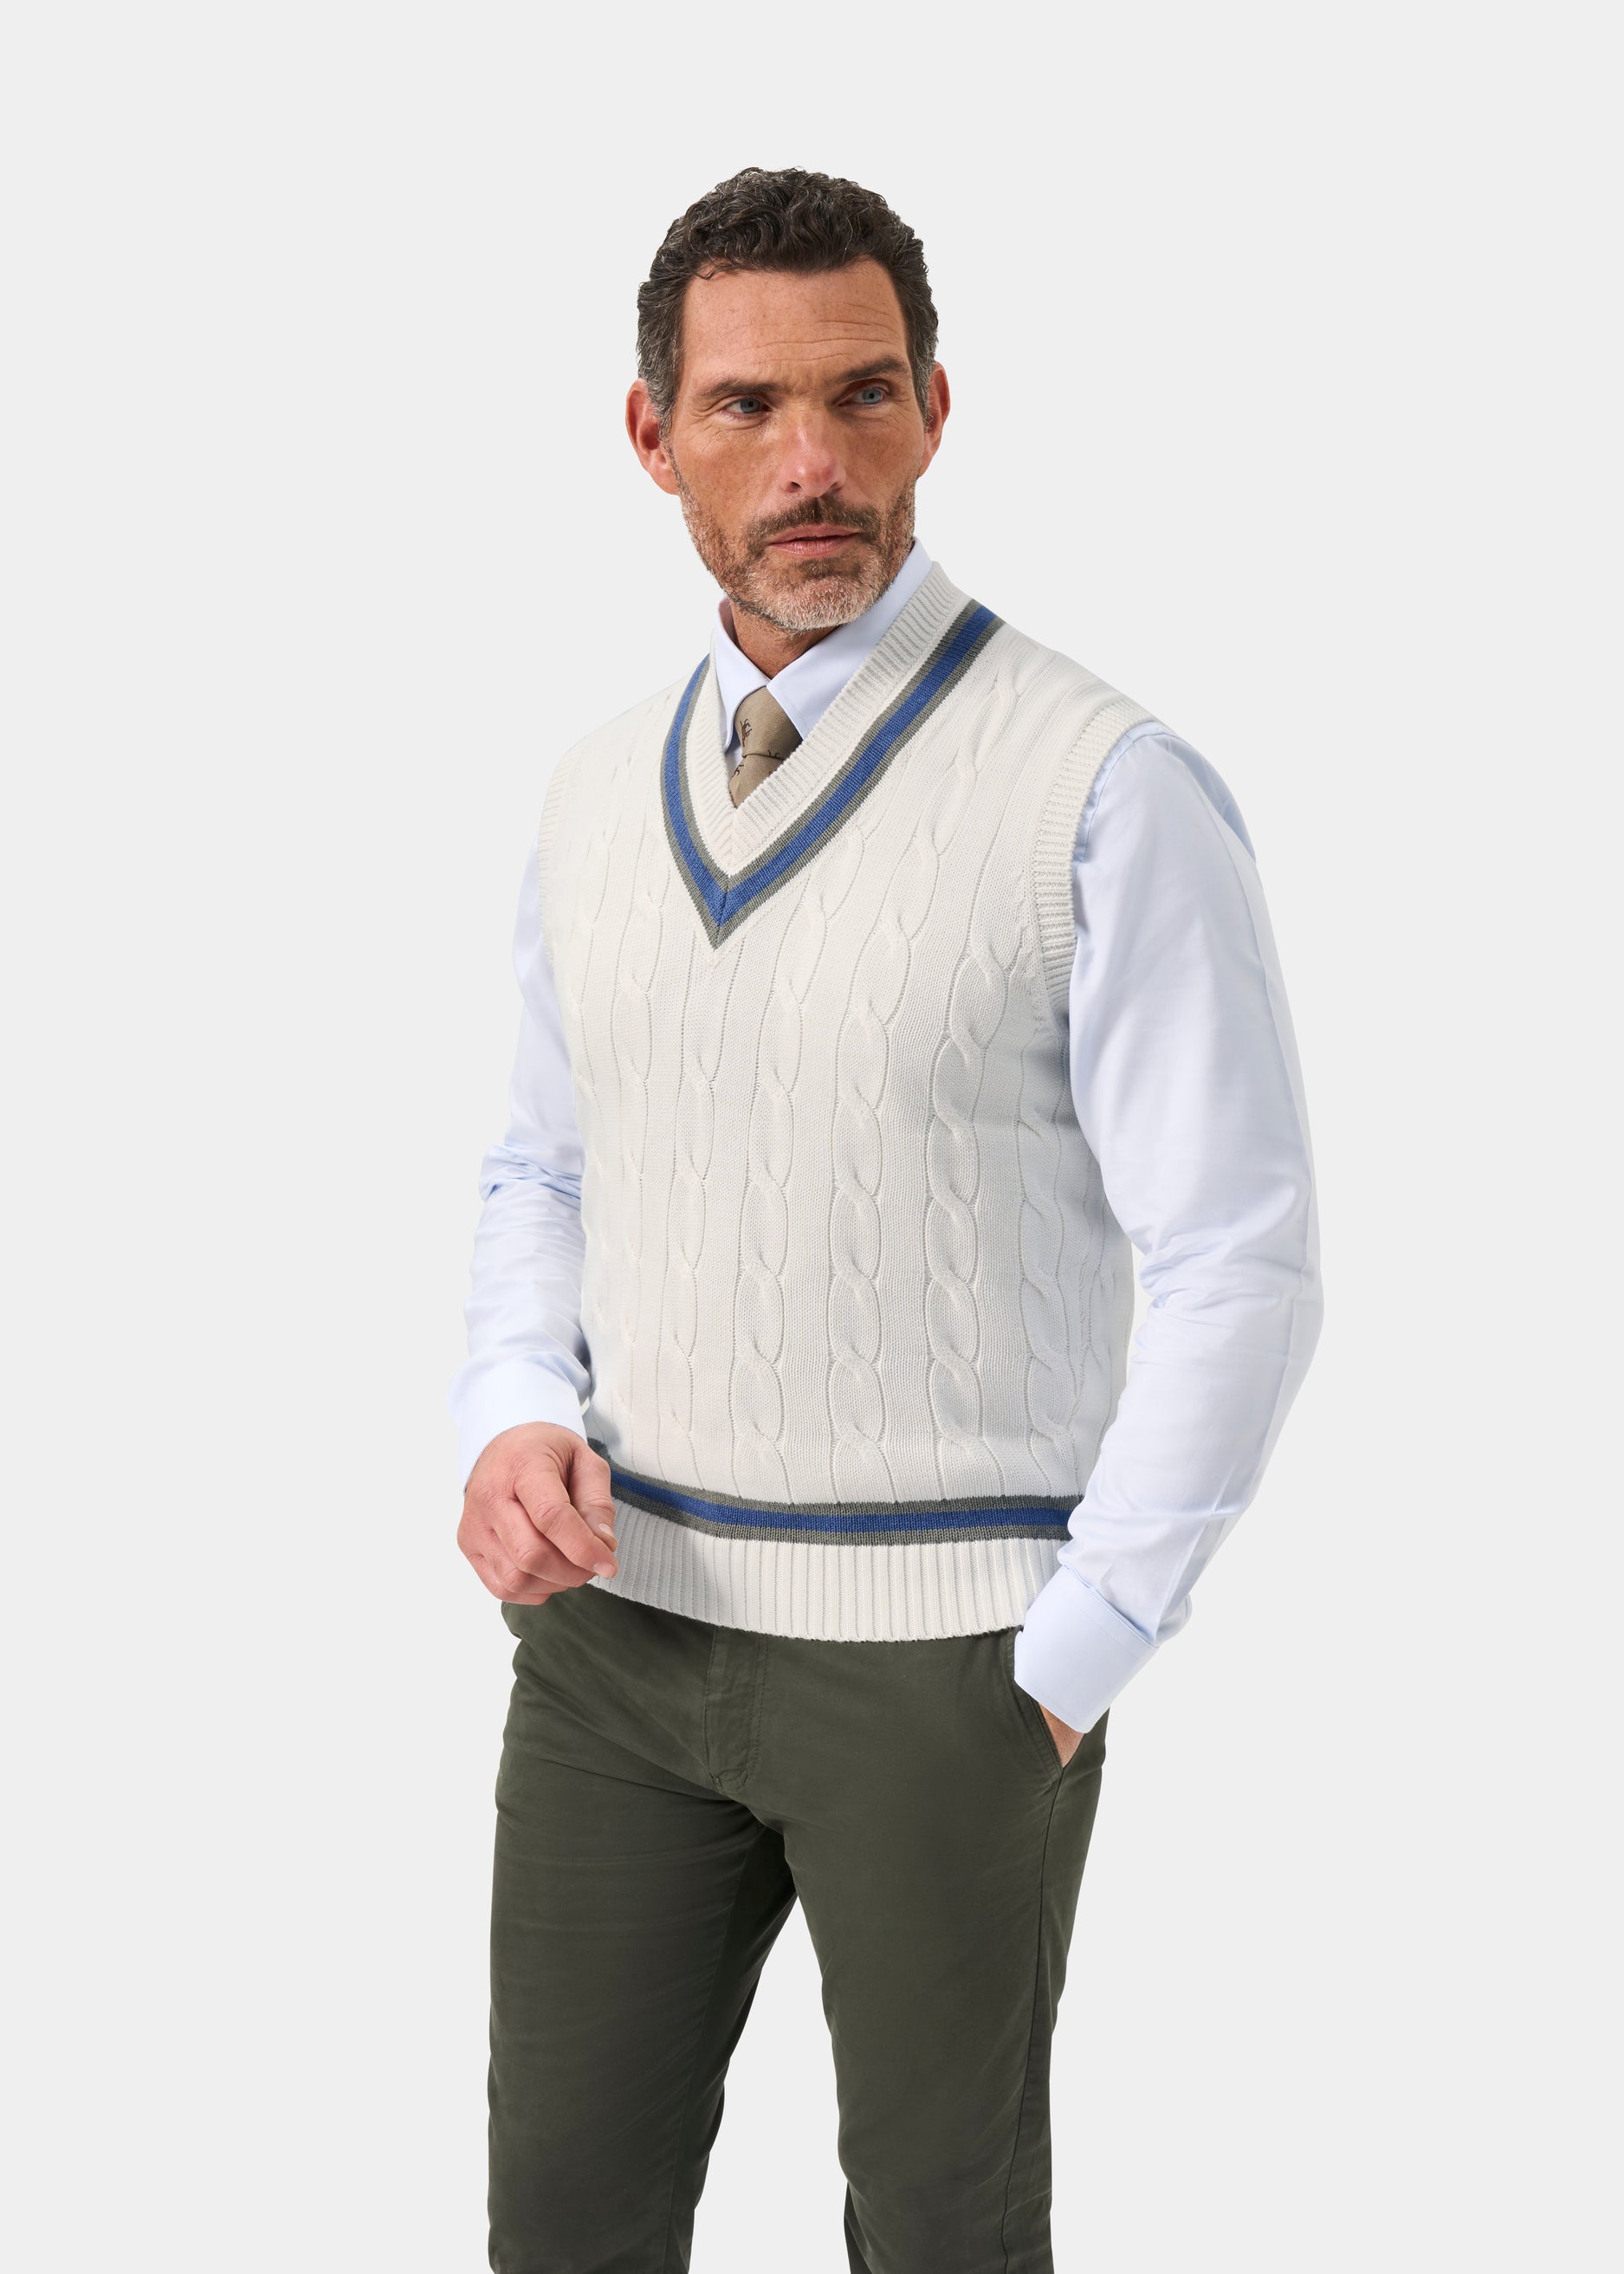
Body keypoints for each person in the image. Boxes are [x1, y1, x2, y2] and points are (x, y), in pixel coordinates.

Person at [450, 165, 1322, 2274]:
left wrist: (1073, 1651)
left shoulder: (1100, 782)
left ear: (934, 405)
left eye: (860, 393)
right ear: (651, 434)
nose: (811, 462)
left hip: (942, 1670)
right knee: (560, 2221)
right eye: (745, 405)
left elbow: (1239, 1253)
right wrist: (509, 1403)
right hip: (615, 1644)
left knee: (941, 2232)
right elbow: (545, 1164)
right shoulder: (592, 791)